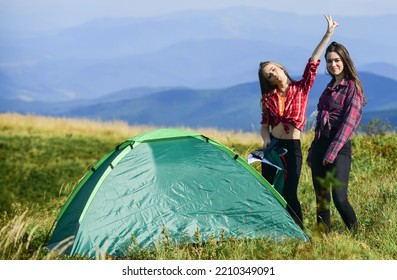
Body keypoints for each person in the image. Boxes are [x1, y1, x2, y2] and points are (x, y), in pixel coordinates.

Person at [258, 15, 338, 228]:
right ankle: (275, 229)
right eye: (268, 75)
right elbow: (264, 126)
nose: (273, 75)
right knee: (271, 189)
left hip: (292, 146)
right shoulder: (268, 98)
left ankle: (298, 231)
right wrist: (266, 141)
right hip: (273, 146)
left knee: (290, 190)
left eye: (273, 69)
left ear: (282, 69)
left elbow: (313, 61)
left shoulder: (300, 88)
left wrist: (328, 34)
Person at [307, 41, 366, 234]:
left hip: (339, 148)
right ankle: (323, 241)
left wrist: (331, 153)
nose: (333, 65)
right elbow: (321, 121)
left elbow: (349, 124)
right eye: (329, 61)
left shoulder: (352, 87)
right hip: (320, 145)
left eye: (337, 60)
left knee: (340, 198)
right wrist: (313, 149)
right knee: (321, 198)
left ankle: (357, 235)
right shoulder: (330, 86)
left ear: (345, 60)